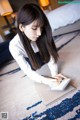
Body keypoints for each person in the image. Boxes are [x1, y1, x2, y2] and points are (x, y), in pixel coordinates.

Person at [9, 3, 61, 88]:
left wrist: (55, 74)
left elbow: (51, 57)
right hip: (28, 57)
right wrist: (45, 80)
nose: (39, 33)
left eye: (41, 28)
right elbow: (28, 71)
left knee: (43, 60)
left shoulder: (42, 34)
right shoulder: (14, 46)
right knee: (35, 67)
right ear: (22, 27)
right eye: (34, 28)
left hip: (39, 54)